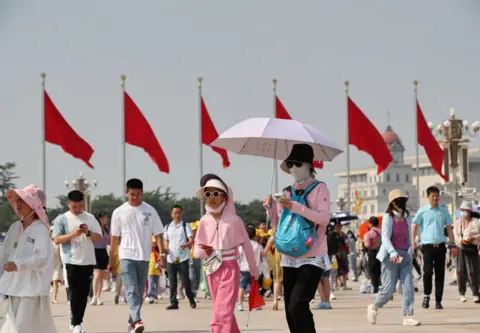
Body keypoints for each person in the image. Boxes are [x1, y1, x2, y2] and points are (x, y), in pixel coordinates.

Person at [264, 143, 331, 333]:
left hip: (312, 255)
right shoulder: (286, 191)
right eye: (290, 164)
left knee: (298, 305)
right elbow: (279, 224)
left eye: (298, 164)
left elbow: (324, 218)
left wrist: (294, 206)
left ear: (309, 165)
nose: (293, 168)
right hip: (289, 256)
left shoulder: (320, 189)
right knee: (289, 310)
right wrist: (270, 209)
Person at [193, 174, 259, 333]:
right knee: (222, 309)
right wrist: (204, 251)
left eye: (216, 193)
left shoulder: (235, 220)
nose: (212, 198)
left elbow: (247, 246)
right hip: (211, 268)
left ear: (224, 197)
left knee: (222, 312)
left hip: (230, 267)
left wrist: (254, 270)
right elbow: (196, 250)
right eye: (208, 194)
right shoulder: (204, 221)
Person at [109, 178, 166, 333]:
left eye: (138, 194)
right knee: (132, 289)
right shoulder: (119, 212)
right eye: (131, 194)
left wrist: (162, 253)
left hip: (144, 256)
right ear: (126, 193)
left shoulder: (150, 210)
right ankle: (137, 320)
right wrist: (111, 260)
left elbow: (159, 234)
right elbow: (114, 238)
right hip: (126, 255)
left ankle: (132, 321)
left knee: (140, 293)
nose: (134, 197)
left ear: (142, 193)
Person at [0, 185, 57, 333]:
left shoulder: (40, 230)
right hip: (14, 287)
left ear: (33, 205)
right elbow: (5, 255)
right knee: (11, 326)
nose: (18, 205)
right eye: (17, 201)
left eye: (22, 201)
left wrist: (18, 264)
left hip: (31, 289)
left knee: (26, 328)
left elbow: (41, 257)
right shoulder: (14, 228)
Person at [367, 190, 420, 326]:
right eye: (399, 199)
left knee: (408, 285)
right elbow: (385, 237)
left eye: (403, 199)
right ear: (393, 202)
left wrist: (410, 249)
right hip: (391, 257)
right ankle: (374, 306)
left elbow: (409, 236)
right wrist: (392, 253)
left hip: (405, 256)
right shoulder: (388, 217)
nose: (402, 201)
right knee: (389, 289)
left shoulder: (407, 217)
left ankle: (408, 315)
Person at [52, 190, 103, 333]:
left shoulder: (91, 218)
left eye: (80, 206)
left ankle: (76, 321)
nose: (77, 209)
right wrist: (73, 234)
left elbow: (99, 237)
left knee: (83, 294)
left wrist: (88, 234)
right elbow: (56, 239)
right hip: (70, 260)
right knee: (74, 292)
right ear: (68, 204)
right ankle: (76, 323)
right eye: (74, 206)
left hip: (87, 260)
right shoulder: (61, 219)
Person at [412, 186, 454, 309]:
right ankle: (426, 295)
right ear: (428, 197)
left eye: (437, 196)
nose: (435, 198)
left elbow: (449, 227)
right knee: (428, 272)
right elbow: (414, 226)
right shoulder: (422, 211)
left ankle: (438, 301)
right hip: (427, 247)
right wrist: (413, 243)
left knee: (440, 274)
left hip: (441, 246)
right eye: (433, 196)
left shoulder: (444, 211)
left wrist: (452, 241)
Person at [164, 204, 196, 310]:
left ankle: (191, 299)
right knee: (172, 282)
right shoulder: (168, 227)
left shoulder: (185, 226)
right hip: (171, 258)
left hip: (182, 257)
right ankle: (173, 302)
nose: (177, 214)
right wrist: (165, 249)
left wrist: (186, 245)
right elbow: (165, 241)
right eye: (175, 212)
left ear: (182, 213)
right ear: (171, 214)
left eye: (179, 212)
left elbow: (191, 241)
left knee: (186, 280)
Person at [453, 201, 480, 303]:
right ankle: (462, 293)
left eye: (465, 210)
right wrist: (460, 240)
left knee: (473, 271)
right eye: (462, 210)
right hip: (461, 248)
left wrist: (473, 238)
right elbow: (455, 235)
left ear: (469, 211)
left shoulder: (476, 222)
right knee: (460, 271)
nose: (463, 212)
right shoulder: (457, 222)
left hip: (471, 248)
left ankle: (475, 293)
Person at [237, 226, 263, 311]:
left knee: (242, 286)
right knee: (254, 287)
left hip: (243, 269)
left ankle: (240, 304)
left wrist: (238, 267)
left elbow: (239, 257)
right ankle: (256, 304)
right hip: (254, 270)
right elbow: (260, 259)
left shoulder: (242, 246)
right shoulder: (258, 246)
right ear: (255, 235)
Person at [91, 211, 110, 306]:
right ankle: (94, 296)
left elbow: (109, 241)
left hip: (103, 252)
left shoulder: (106, 229)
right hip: (95, 251)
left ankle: (98, 296)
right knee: (97, 274)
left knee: (102, 275)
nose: (106, 219)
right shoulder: (95, 229)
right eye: (105, 218)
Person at [364, 216, 382, 294]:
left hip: (372, 253)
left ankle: (376, 288)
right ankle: (381, 285)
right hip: (381, 252)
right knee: (380, 270)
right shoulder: (382, 231)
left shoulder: (368, 234)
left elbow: (367, 245)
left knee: (372, 271)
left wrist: (364, 243)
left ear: (370, 224)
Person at [51, 226, 63, 304]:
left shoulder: (58, 242)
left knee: (55, 280)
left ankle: (54, 298)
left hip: (57, 263)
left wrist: (61, 262)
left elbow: (60, 253)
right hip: (49, 264)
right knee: (49, 281)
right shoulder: (46, 242)